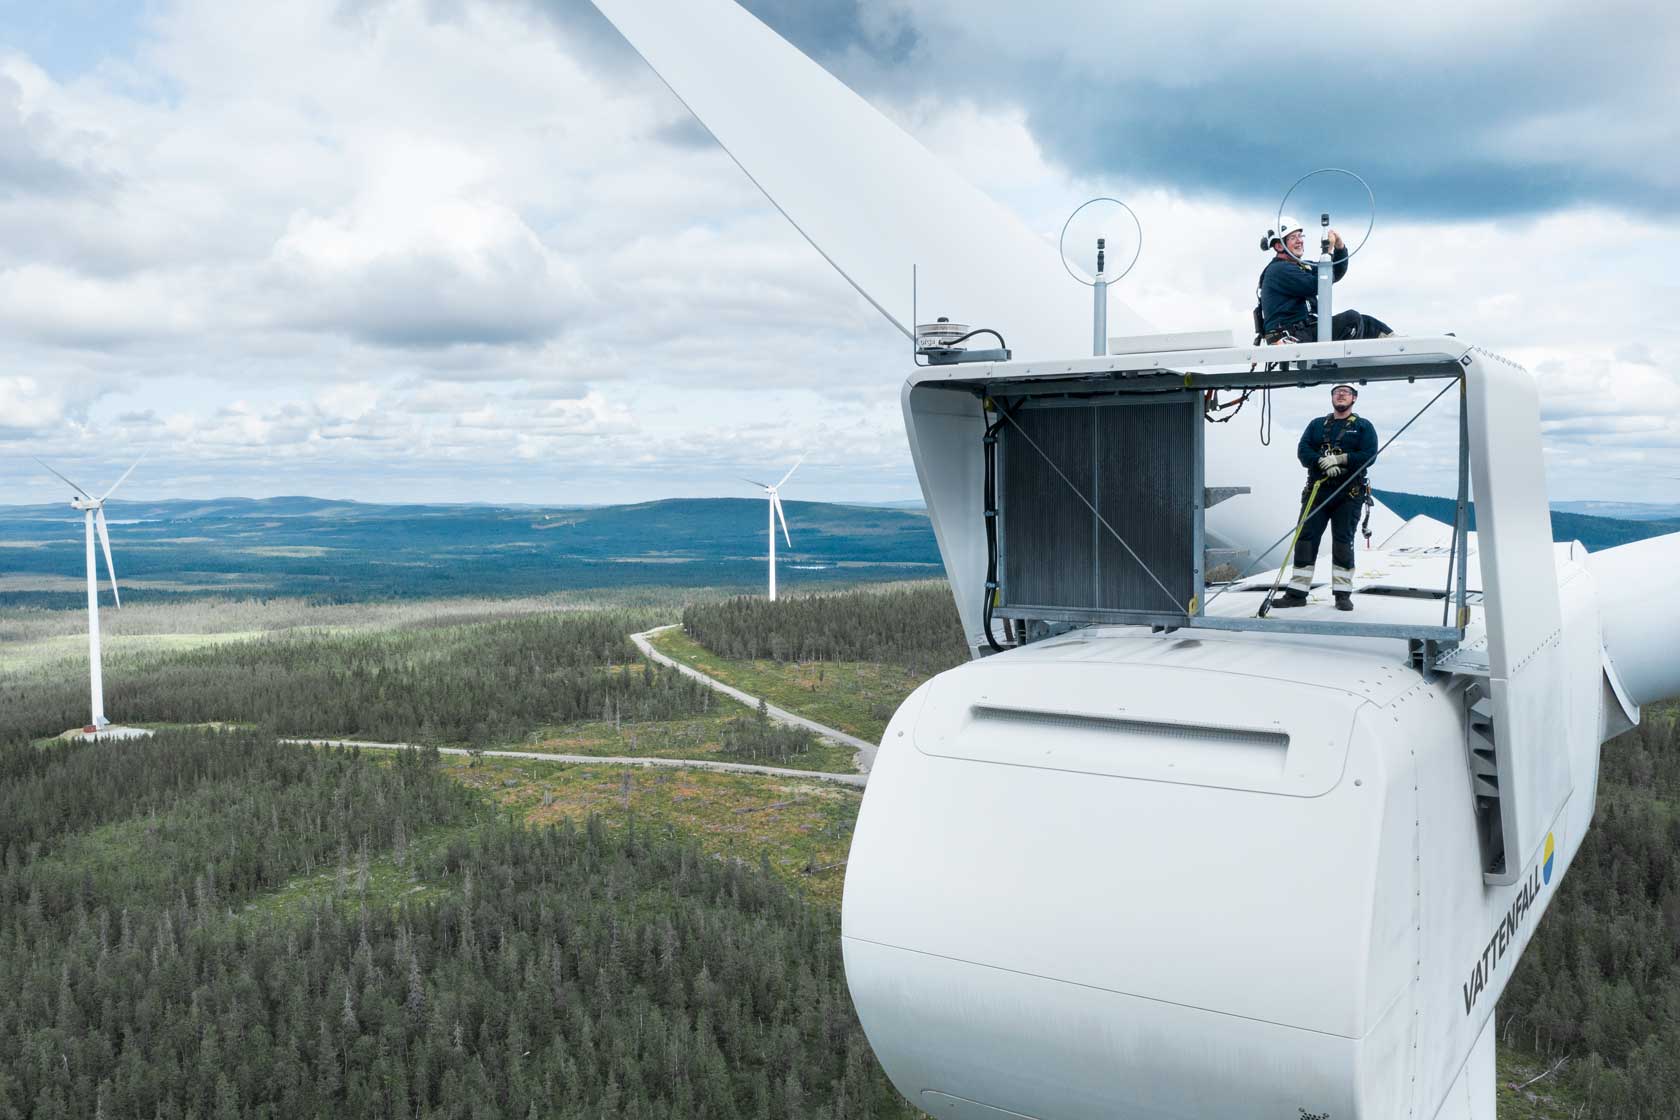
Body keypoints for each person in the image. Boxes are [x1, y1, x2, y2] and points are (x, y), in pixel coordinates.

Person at [1271, 383, 1377, 611]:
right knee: (1306, 540)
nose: (1341, 395)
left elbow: (1369, 455)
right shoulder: (1317, 425)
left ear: (1354, 399)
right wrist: (1321, 462)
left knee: (1342, 542)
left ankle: (1342, 594)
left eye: (1346, 392)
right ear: (1331, 398)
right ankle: (1297, 593)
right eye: (1336, 392)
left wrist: (1341, 459)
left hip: (1348, 494)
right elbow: (1303, 450)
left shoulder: (1363, 427)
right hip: (1317, 492)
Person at [1257, 218, 1393, 343]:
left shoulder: (1300, 266)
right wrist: (1327, 252)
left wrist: (1340, 248)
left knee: (1366, 322)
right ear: (1279, 246)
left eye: (1300, 236)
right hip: (1293, 335)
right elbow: (1319, 284)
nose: (1299, 241)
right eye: (1293, 237)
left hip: (1306, 330)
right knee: (1352, 319)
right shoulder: (1279, 270)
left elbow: (1334, 272)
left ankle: (1396, 344)